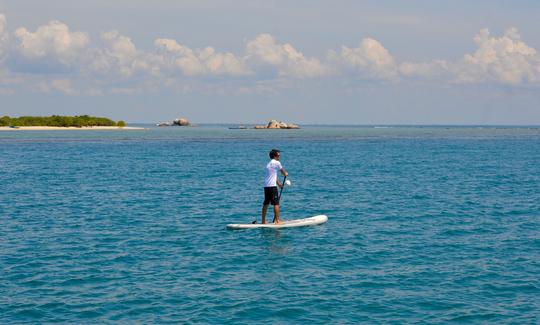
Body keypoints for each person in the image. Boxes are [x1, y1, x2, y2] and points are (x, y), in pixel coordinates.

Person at [261, 149, 288, 224]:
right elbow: (283, 172)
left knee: (266, 203)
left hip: (266, 186)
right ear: (275, 156)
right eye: (278, 155)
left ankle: (263, 221)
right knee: (276, 203)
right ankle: (277, 220)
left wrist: (279, 184)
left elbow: (273, 176)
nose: (279, 156)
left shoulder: (268, 164)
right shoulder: (277, 163)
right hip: (272, 187)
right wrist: (285, 174)